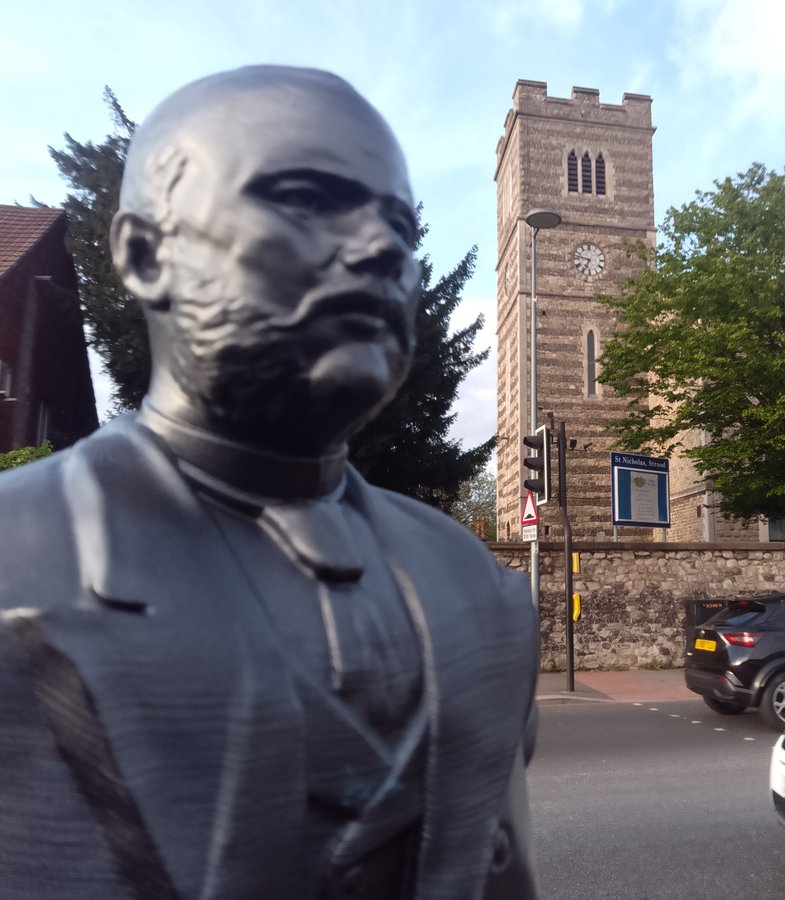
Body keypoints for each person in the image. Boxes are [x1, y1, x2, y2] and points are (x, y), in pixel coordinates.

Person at [0, 66, 539, 900]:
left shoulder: (479, 589)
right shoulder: (17, 558)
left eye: (399, 222)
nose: (379, 247)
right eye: (305, 198)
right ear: (146, 253)